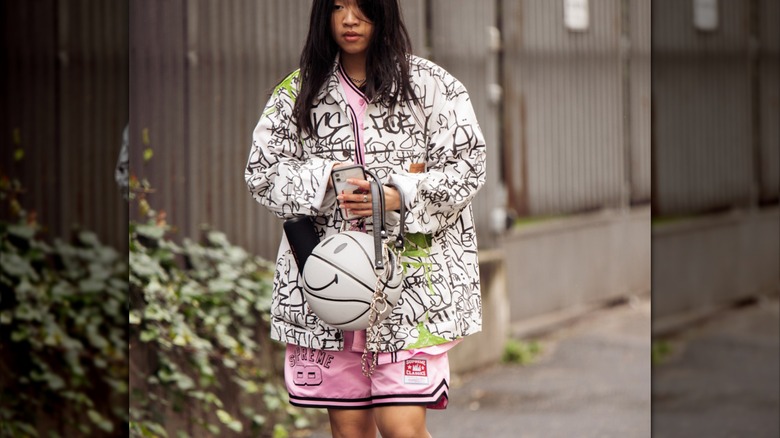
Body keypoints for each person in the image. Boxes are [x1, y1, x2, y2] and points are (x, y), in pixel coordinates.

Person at [245, 0, 486, 436]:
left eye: (362, 7)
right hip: (330, 287)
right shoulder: (298, 92)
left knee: (402, 428)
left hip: (410, 289)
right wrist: (323, 178)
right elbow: (261, 174)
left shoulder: (431, 86)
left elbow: (469, 166)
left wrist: (399, 196)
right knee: (350, 430)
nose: (350, 19)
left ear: (384, 13)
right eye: (338, 6)